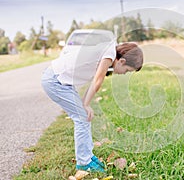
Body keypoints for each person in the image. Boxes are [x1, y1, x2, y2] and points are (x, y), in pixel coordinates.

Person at [41, 30, 143, 172]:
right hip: (55, 80)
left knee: (85, 117)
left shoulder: (109, 50)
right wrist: (86, 104)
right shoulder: (109, 54)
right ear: (122, 61)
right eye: (126, 70)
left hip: (61, 80)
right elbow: (97, 80)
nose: (123, 73)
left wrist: (85, 103)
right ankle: (84, 162)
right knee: (82, 117)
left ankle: (87, 156)